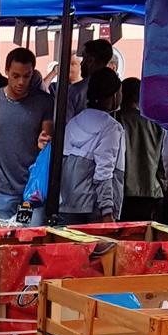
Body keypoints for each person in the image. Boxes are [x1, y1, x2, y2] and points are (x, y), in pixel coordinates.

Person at [0, 47, 54, 224]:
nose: (21, 82)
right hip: (1, 190)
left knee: (32, 242)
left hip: (34, 189)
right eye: (16, 75)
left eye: (27, 76)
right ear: (6, 71)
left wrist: (44, 141)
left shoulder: (44, 102)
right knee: (2, 242)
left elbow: (47, 135)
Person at [60, 68, 125, 224]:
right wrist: (107, 210)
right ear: (114, 95)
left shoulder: (73, 122)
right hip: (94, 209)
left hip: (67, 204)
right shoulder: (111, 128)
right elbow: (104, 172)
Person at [118, 77, 166, 221]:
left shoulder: (115, 120)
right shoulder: (156, 123)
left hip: (123, 190)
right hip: (151, 189)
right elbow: (163, 159)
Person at [66, 39, 114, 123]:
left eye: (84, 58)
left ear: (91, 60)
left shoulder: (76, 91)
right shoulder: (114, 87)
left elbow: (66, 123)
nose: (81, 63)